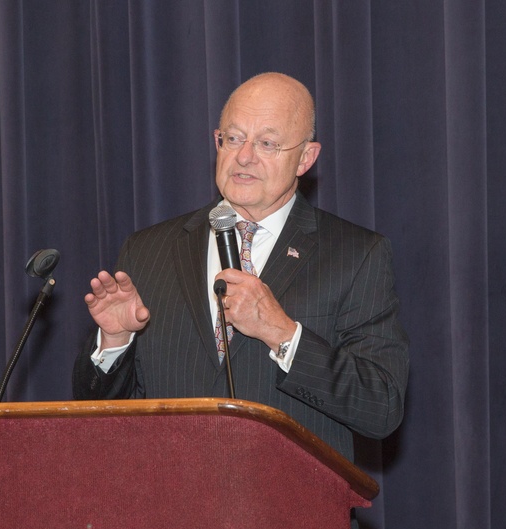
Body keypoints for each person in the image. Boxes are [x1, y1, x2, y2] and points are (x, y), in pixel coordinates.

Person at [73, 72, 408, 465]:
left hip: (290, 514)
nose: (244, 156)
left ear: (305, 158)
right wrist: (115, 344)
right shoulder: (148, 250)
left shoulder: (355, 255)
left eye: (267, 143)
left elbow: (380, 407)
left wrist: (282, 334)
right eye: (232, 139)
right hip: (169, 512)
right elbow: (99, 416)